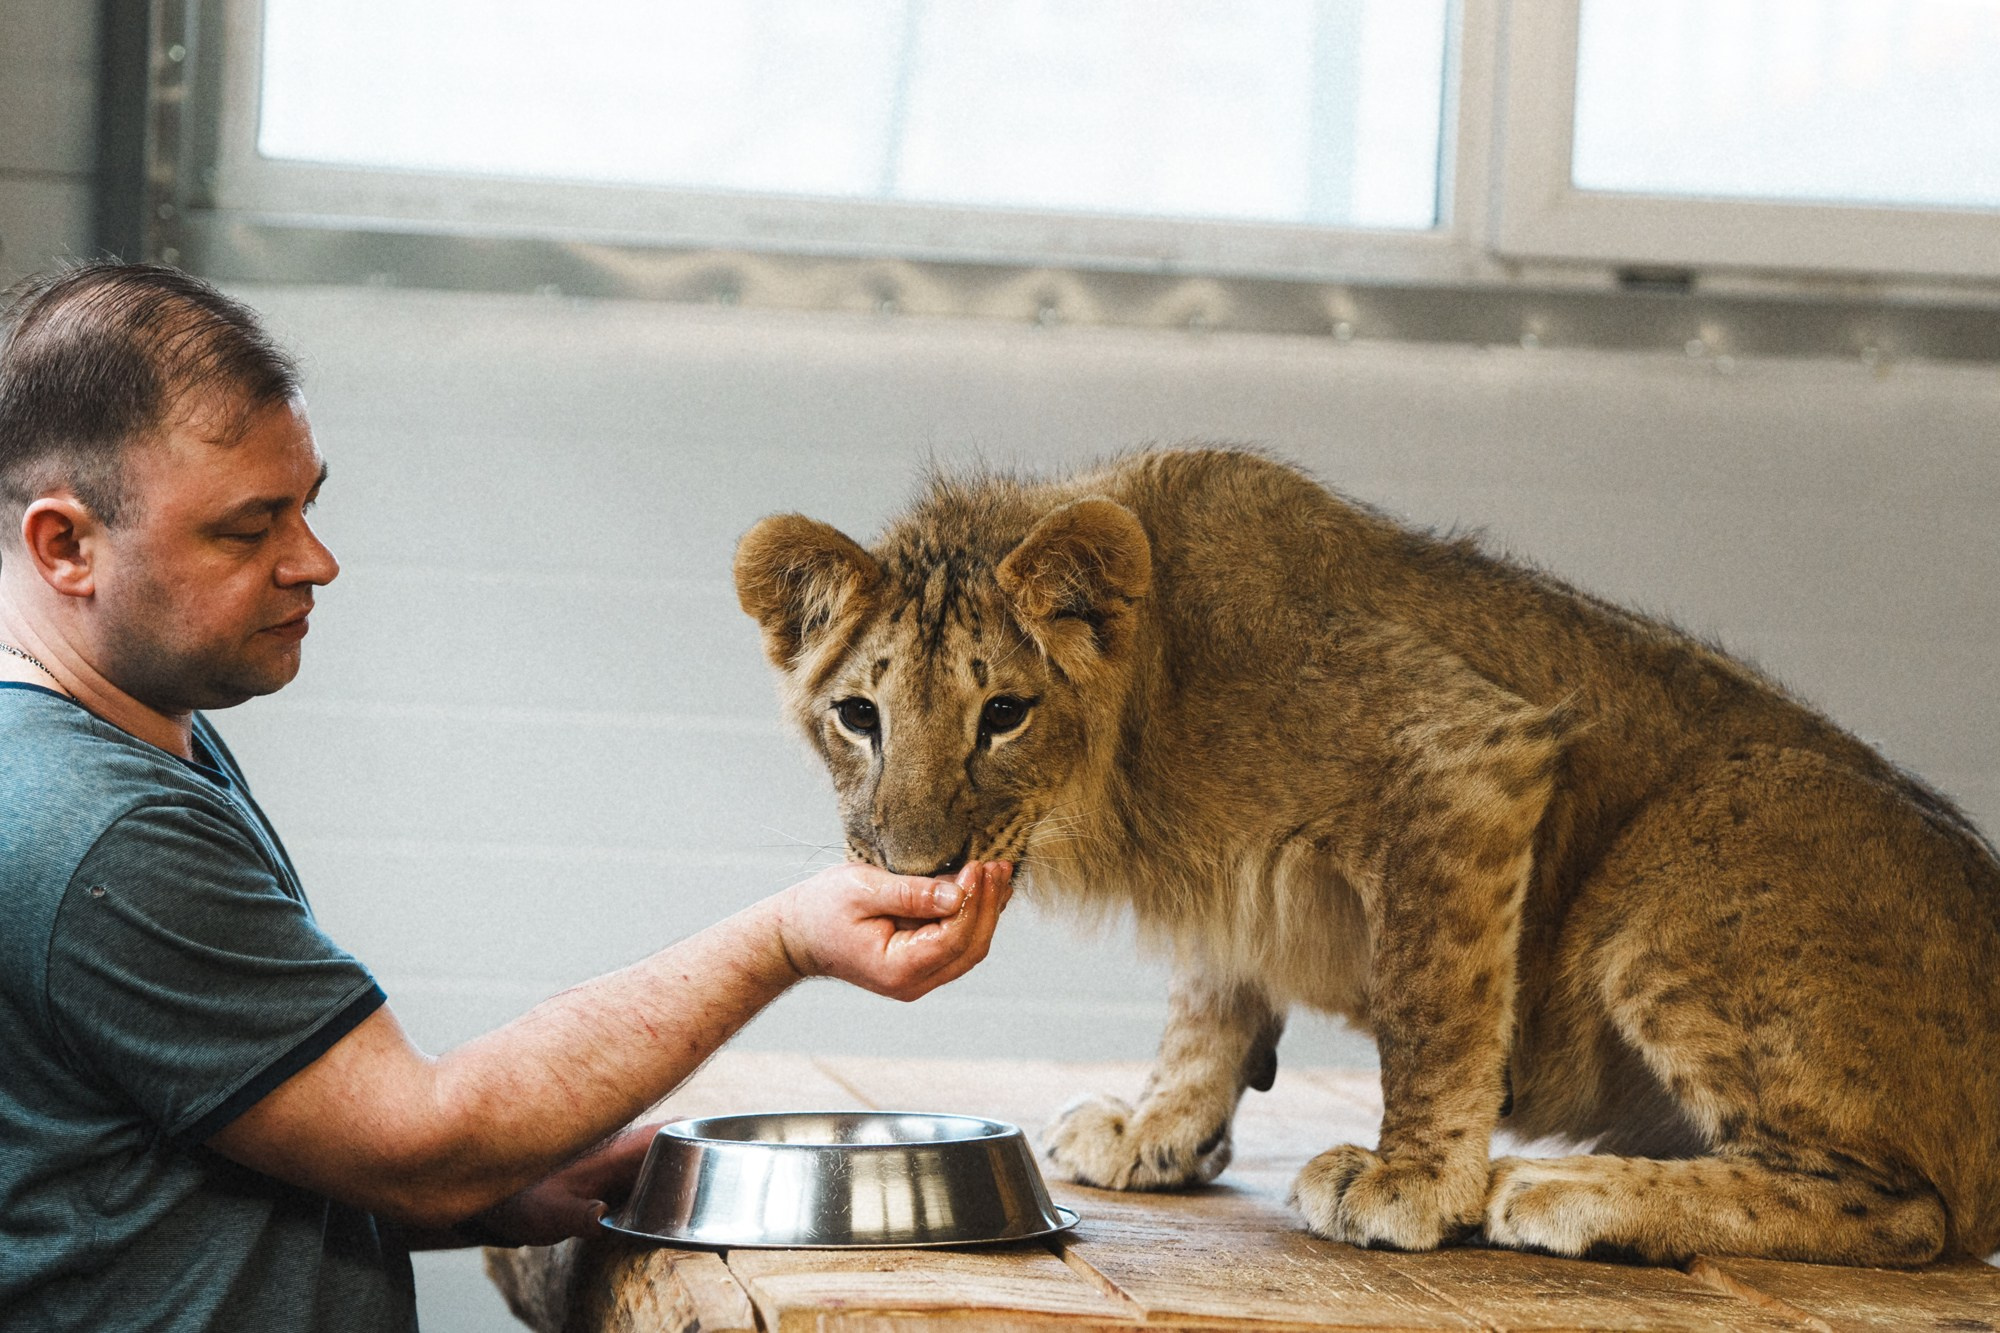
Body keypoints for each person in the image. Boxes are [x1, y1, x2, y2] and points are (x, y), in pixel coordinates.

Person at [0, 263, 1013, 1332]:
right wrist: (783, 939)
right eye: (249, 529)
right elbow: (422, 1139)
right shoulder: (98, 824)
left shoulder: (131, 739)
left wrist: (496, 1195)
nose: (316, 561)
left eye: (309, 504)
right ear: (66, 545)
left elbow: (172, 1154)